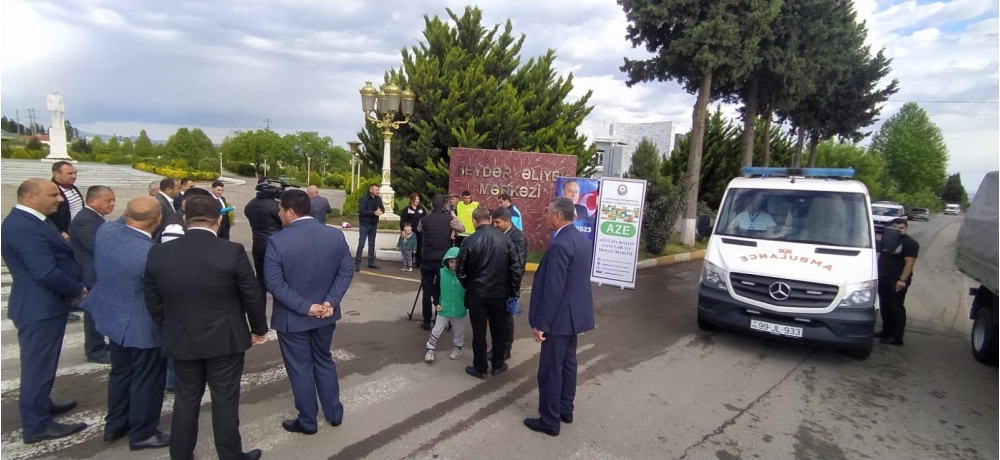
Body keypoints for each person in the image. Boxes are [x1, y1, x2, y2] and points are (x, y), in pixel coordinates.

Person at [144, 195, 267, 460]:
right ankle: (230, 455)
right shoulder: (231, 251)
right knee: (225, 399)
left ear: (184, 219)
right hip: (226, 340)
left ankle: (180, 455)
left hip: (181, 338)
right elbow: (252, 294)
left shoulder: (158, 252)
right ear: (219, 219)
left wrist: (171, 326)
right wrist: (259, 329)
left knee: (186, 399)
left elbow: (153, 301)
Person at [1, 179, 88, 444]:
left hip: (44, 306)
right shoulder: (24, 227)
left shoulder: (34, 221)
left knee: (44, 364)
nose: (60, 199)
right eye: (53, 195)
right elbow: (45, 272)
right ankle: (37, 425)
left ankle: (41, 405)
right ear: (30, 197)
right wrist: (78, 290)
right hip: (39, 308)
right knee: (37, 367)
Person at [264, 189, 354, 435]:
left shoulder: (277, 241)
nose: (278, 214)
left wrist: (306, 307)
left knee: (301, 368)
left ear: (291, 212)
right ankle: (334, 413)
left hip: (294, 318)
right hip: (326, 314)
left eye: (280, 210)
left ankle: (308, 421)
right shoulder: (334, 235)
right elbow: (346, 271)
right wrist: (330, 302)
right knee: (323, 360)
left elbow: (274, 283)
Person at [83, 196, 169, 450]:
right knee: (147, 378)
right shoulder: (152, 253)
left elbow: (127, 219)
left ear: (126, 213)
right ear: (158, 219)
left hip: (113, 318)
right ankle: (143, 432)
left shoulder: (106, 231)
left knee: (120, 372)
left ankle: (115, 424)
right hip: (142, 326)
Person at [524, 197, 596, 437]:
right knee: (567, 366)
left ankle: (549, 420)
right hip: (573, 319)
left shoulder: (560, 244)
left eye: (547, 212)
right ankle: (565, 410)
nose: (545, 216)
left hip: (557, 321)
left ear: (557, 216)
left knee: (550, 371)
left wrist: (541, 324)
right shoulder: (581, 239)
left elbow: (553, 289)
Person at [456, 207, 522, 379]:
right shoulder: (505, 240)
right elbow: (515, 270)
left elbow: (460, 270)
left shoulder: (469, 241)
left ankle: (480, 367)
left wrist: (469, 285)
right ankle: (498, 365)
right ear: (490, 219)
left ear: (474, 221)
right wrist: (513, 292)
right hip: (500, 294)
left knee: (479, 332)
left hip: (477, 294)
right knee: (499, 330)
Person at [69, 185, 115, 364]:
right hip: (91, 273)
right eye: (108, 200)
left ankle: (99, 343)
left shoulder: (96, 217)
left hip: (98, 271)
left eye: (113, 200)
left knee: (100, 310)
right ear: (92, 201)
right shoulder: (85, 220)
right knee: (93, 312)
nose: (112, 204)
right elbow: (98, 246)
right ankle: (94, 349)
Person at [417, 195, 466, 331]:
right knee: (442, 290)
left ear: (431, 205)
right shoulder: (449, 219)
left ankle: (426, 321)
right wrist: (452, 217)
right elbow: (463, 228)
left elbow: (419, 229)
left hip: (427, 259)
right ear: (445, 206)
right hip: (442, 260)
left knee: (427, 291)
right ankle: (440, 320)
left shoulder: (424, 219)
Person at [490, 206, 527, 361]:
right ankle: (496, 348)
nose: (495, 225)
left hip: (508, 285)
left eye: (498, 222)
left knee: (506, 320)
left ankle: (505, 349)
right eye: (493, 222)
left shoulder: (518, 238)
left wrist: (514, 290)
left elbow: (519, 266)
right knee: (495, 319)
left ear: (507, 221)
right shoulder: (497, 233)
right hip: (495, 284)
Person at [876, 218, 919, 346]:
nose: (899, 230)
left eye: (901, 228)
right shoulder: (885, 240)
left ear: (905, 228)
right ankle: (886, 331)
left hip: (897, 280)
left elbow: (909, 263)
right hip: (884, 277)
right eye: (896, 228)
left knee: (896, 308)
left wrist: (902, 280)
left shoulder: (910, 243)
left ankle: (897, 337)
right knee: (884, 306)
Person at [424, 247, 466, 362]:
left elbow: (469, 291)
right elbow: (436, 289)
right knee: (437, 330)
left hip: (459, 308)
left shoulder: (464, 275)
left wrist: (468, 304)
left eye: (457, 262)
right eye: (451, 261)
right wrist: (436, 302)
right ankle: (430, 349)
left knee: (459, 331)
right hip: (444, 308)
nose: (454, 264)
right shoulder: (441, 273)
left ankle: (458, 348)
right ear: (447, 261)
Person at [245, 184, 284, 299]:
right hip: (274, 244)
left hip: (257, 243)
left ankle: (260, 305)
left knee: (260, 277)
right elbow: (284, 220)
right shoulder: (274, 206)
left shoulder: (250, 204)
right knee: (278, 277)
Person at [355, 184, 384, 271]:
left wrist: (380, 211)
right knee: (361, 244)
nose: (377, 191)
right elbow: (362, 211)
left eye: (378, 190)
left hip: (373, 224)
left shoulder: (378, 199)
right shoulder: (364, 199)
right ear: (371, 190)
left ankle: (371, 263)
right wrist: (373, 213)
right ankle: (357, 264)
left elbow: (382, 209)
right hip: (364, 224)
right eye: (376, 190)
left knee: (372, 244)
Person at [401, 193, 426, 268]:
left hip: (420, 232)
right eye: (415, 199)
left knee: (419, 246)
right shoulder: (406, 209)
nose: (417, 200)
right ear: (411, 200)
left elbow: (425, 219)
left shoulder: (421, 209)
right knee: (409, 247)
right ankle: (409, 262)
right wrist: (403, 230)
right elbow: (403, 221)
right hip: (410, 232)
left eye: (418, 199)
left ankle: (419, 263)